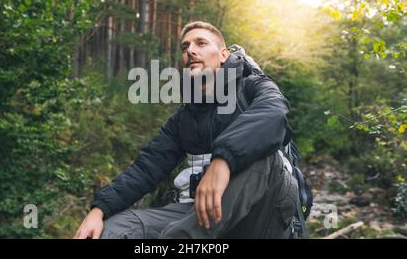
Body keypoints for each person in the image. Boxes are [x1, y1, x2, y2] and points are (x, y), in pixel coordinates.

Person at [74, 21, 298, 239]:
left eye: (200, 43)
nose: (190, 50)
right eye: (185, 46)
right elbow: (147, 167)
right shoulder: (184, 118)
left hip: (260, 215)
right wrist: (99, 209)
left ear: (222, 55)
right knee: (112, 230)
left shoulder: (253, 86)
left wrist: (224, 161)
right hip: (198, 214)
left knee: (263, 153)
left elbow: (275, 112)